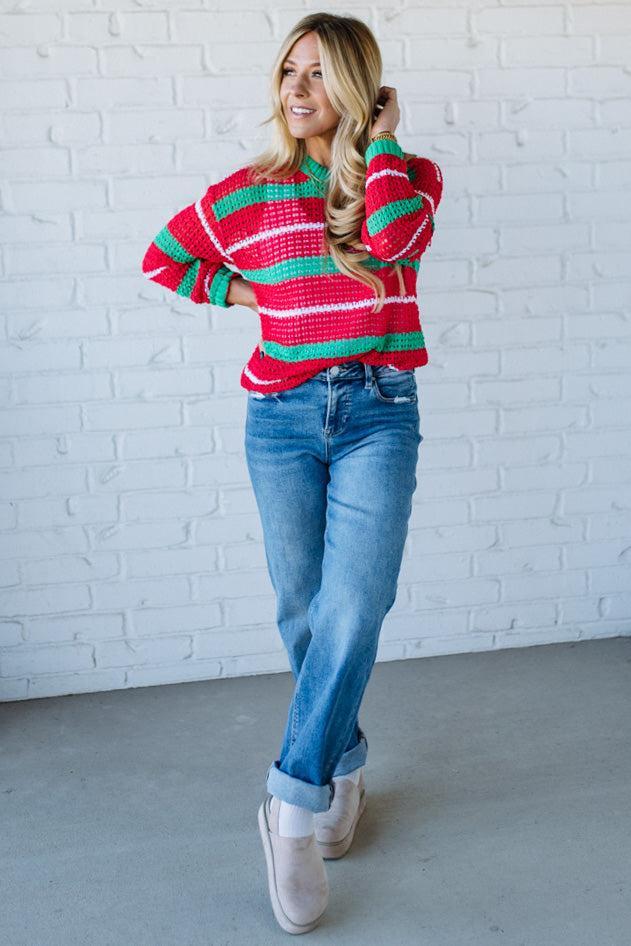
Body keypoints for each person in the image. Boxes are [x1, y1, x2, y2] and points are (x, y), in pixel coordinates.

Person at [142, 12, 443, 935]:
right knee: (305, 606)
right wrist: (249, 291)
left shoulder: (409, 177)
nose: (297, 90)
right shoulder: (247, 192)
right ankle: (342, 762)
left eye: (319, 75)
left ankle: (291, 808)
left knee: (356, 604)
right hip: (279, 419)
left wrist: (379, 139)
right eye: (287, 72)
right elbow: (166, 259)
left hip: (378, 413)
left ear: (359, 86)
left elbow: (393, 244)